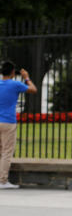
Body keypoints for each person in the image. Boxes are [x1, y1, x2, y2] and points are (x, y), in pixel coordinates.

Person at [0, 61, 37, 189]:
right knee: (7, 152)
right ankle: (2, 181)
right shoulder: (15, 84)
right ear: (12, 72)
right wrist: (26, 78)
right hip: (8, 121)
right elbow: (33, 89)